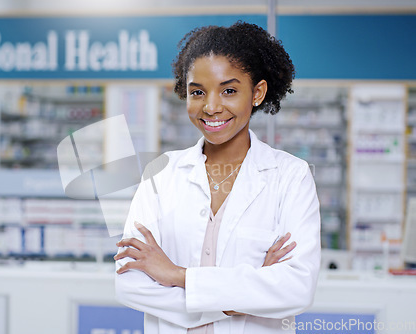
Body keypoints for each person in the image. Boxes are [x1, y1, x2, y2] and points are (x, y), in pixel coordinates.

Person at [114, 21, 321, 334]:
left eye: (229, 90)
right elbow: (130, 284)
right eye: (197, 92)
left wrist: (178, 275)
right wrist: (244, 295)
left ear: (257, 93)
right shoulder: (162, 173)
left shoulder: (290, 176)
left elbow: (296, 288)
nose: (211, 107)